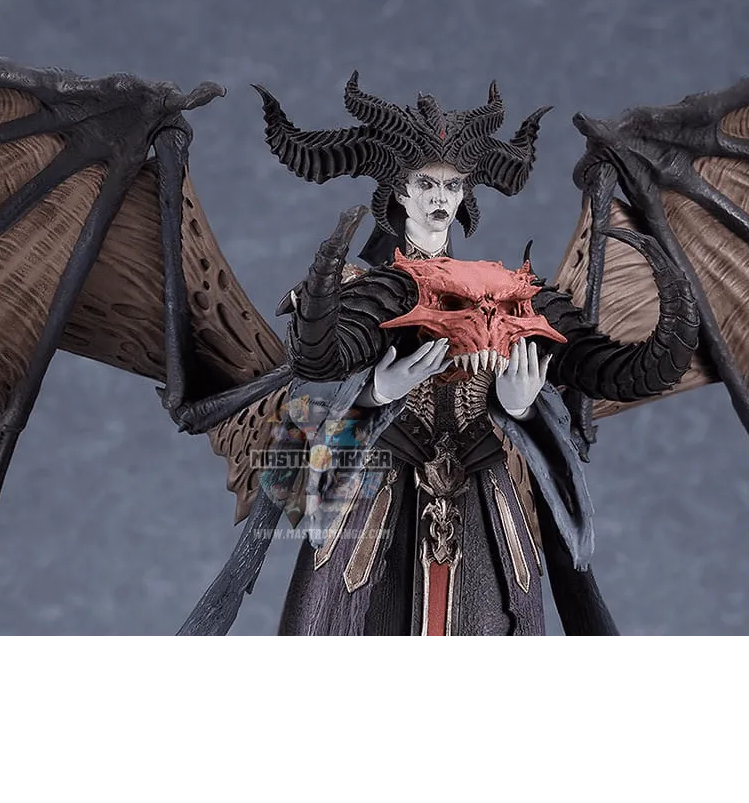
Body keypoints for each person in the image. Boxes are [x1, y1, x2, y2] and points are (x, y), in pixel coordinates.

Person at [179, 73, 698, 639]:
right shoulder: (364, 291)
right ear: (400, 192)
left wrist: (521, 407)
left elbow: (612, 371)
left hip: (483, 496)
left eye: (452, 186)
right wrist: (375, 393)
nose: (439, 198)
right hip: (376, 498)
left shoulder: (506, 291)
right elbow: (311, 392)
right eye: (425, 183)